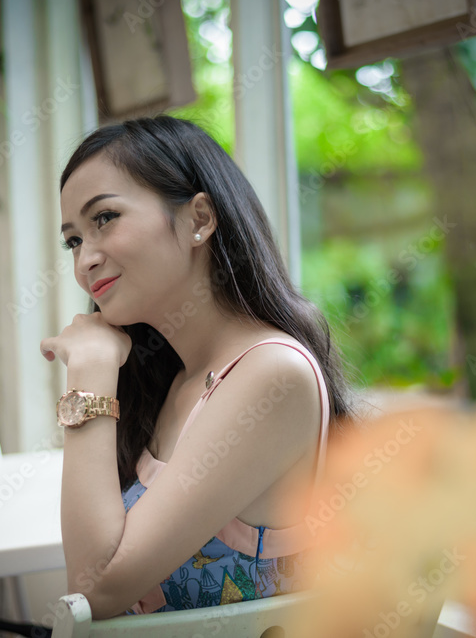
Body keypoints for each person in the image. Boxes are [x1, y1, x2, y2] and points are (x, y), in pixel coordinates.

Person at [39, 115, 352, 619]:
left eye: (104, 218)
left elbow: (92, 592)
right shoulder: (175, 379)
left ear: (199, 219)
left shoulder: (272, 373)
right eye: (73, 240)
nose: (85, 261)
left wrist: (91, 370)